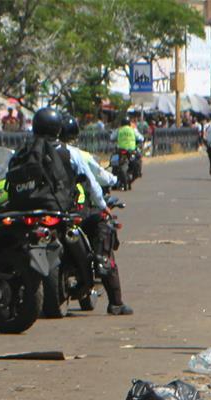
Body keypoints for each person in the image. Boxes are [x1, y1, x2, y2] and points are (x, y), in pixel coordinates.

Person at [59, 115, 133, 315]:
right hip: (73, 210)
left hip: (45, 212)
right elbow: (94, 181)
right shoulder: (75, 154)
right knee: (104, 236)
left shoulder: (30, 152)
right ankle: (115, 302)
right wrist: (103, 205)